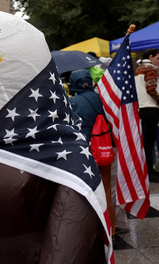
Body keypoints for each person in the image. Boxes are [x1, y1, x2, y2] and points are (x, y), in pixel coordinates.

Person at [69, 69, 115, 234]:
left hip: (84, 152)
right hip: (105, 148)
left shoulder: (72, 102)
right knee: (107, 191)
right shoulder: (103, 97)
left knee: (87, 192)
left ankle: (91, 231)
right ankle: (111, 232)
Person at [135, 48, 159, 182]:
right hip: (150, 108)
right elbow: (151, 88)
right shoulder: (150, 69)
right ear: (151, 57)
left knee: (145, 143)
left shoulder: (138, 69)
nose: (158, 61)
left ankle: (147, 171)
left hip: (141, 108)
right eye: (157, 58)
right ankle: (150, 172)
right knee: (149, 143)